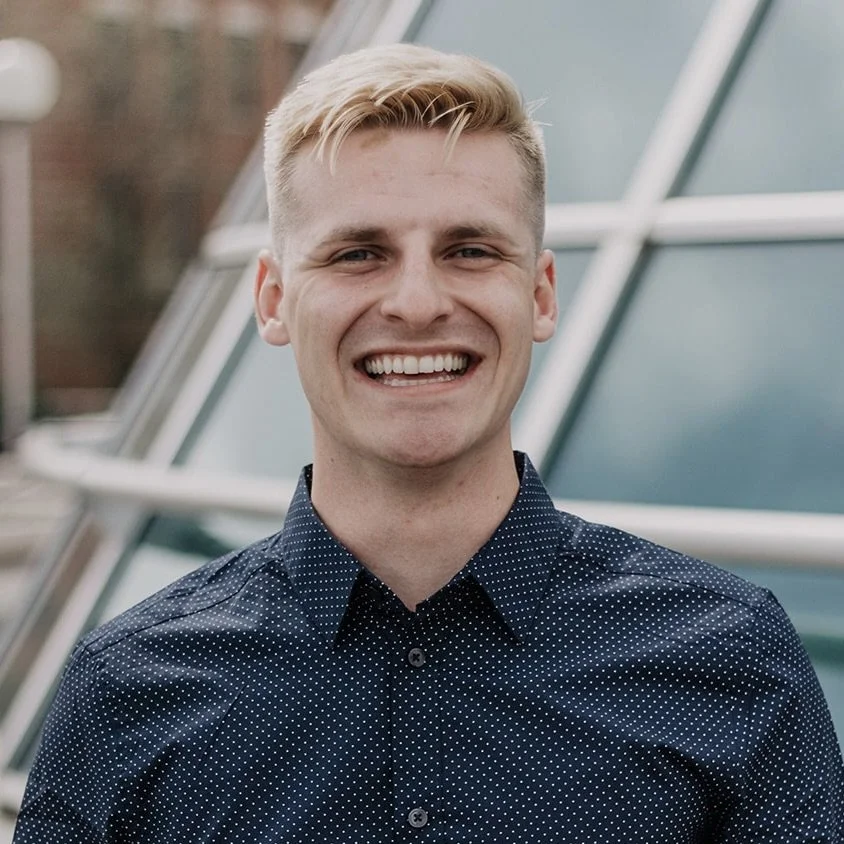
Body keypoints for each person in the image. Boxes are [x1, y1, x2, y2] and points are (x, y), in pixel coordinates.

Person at [14, 43, 844, 843]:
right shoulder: (127, 692)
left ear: (541, 294)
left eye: (470, 250)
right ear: (271, 300)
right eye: (358, 254)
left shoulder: (731, 661)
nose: (416, 303)